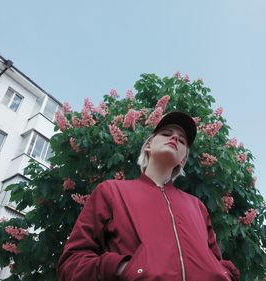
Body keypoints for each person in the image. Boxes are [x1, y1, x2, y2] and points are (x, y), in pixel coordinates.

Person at [57, 111, 240, 281]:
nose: (175, 137)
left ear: (183, 159)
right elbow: (72, 263)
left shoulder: (197, 206)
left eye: (182, 140)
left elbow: (216, 260)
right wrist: (124, 267)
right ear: (148, 146)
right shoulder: (111, 191)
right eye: (167, 133)